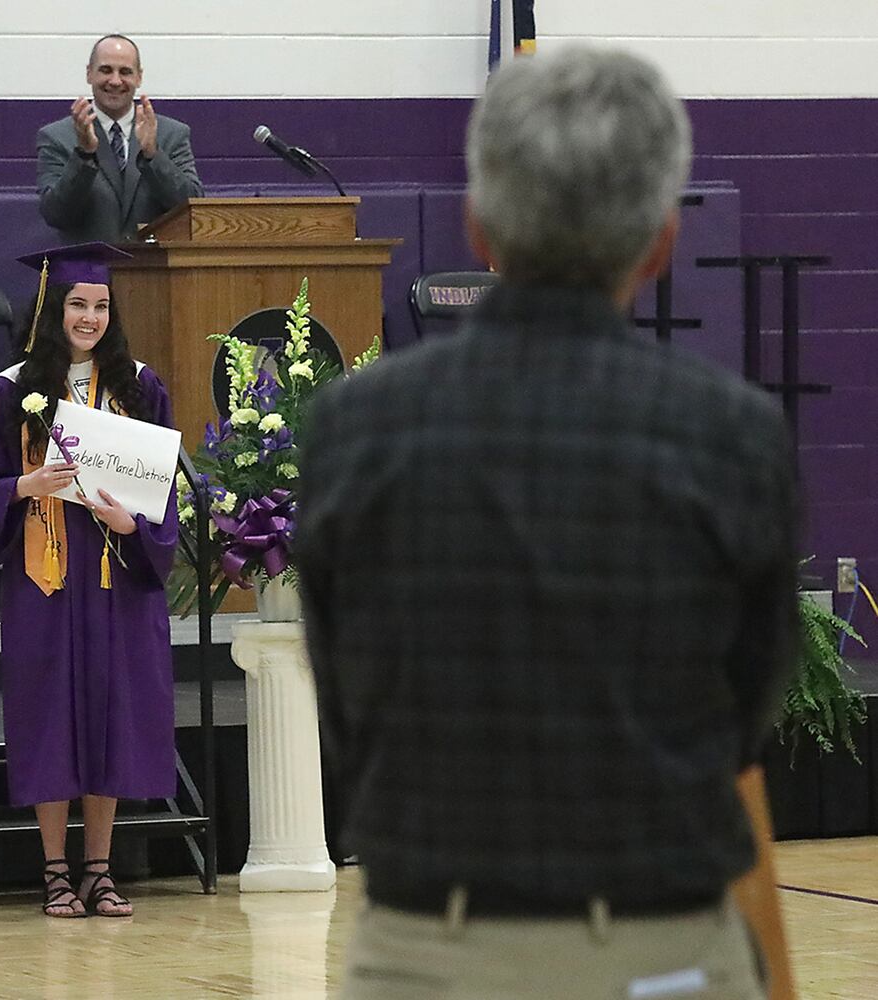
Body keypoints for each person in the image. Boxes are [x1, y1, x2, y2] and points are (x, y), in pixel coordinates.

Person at [296, 47, 797, 1000]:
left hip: (424, 955)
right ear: (660, 241)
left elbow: (346, 701)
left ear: (475, 224)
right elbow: (744, 716)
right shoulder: (733, 434)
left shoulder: (355, 428)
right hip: (664, 952)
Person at [0, 242, 180, 918]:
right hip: (48, 580)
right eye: (76, 305)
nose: (88, 318)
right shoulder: (11, 391)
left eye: (99, 305)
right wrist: (25, 485)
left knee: (112, 718)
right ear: (52, 309)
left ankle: (101, 869)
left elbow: (161, 497)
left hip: (115, 577)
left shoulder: (140, 386)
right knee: (51, 719)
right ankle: (55, 871)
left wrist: (134, 527)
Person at [37, 34, 204, 244]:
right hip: (88, 273)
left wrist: (153, 156)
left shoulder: (172, 134)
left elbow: (192, 209)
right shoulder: (57, 137)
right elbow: (56, 215)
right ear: (89, 73)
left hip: (153, 271)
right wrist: (84, 156)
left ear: (139, 77)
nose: (115, 81)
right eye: (106, 70)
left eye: (125, 72)